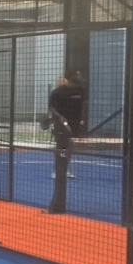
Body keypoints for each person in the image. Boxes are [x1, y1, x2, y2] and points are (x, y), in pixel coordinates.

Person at [47, 69, 88, 213]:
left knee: (64, 161)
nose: (79, 77)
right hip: (61, 132)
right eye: (76, 75)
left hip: (72, 131)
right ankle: (57, 204)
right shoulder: (57, 93)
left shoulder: (80, 91)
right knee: (61, 161)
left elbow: (82, 108)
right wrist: (61, 120)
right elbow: (52, 109)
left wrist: (80, 125)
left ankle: (58, 203)